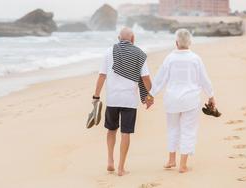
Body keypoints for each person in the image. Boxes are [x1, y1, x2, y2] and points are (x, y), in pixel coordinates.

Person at [146, 28, 216, 173]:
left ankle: (171, 159)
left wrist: (151, 95)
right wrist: (211, 96)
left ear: (176, 42)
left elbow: (160, 79)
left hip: (172, 100)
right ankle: (183, 164)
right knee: (188, 130)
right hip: (190, 100)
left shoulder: (170, 58)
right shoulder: (195, 58)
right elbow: (204, 80)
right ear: (189, 42)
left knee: (172, 128)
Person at [92, 27, 153, 176]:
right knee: (126, 133)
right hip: (129, 101)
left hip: (113, 99)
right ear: (132, 39)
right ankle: (121, 168)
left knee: (111, 130)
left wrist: (96, 96)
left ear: (119, 38)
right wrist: (149, 94)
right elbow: (145, 79)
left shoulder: (109, 52)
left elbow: (102, 75)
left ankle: (110, 161)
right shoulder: (139, 54)